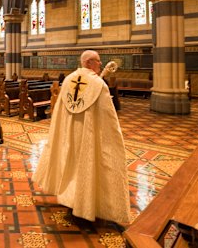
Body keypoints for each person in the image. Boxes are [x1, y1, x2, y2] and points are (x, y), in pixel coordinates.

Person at [32, 50, 131, 227]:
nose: (100, 65)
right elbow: (108, 116)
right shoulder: (98, 84)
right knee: (87, 167)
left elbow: (61, 110)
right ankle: (86, 205)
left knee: (70, 166)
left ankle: (71, 200)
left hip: (70, 134)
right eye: (98, 61)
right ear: (89, 63)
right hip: (89, 136)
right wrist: (112, 138)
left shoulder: (69, 79)